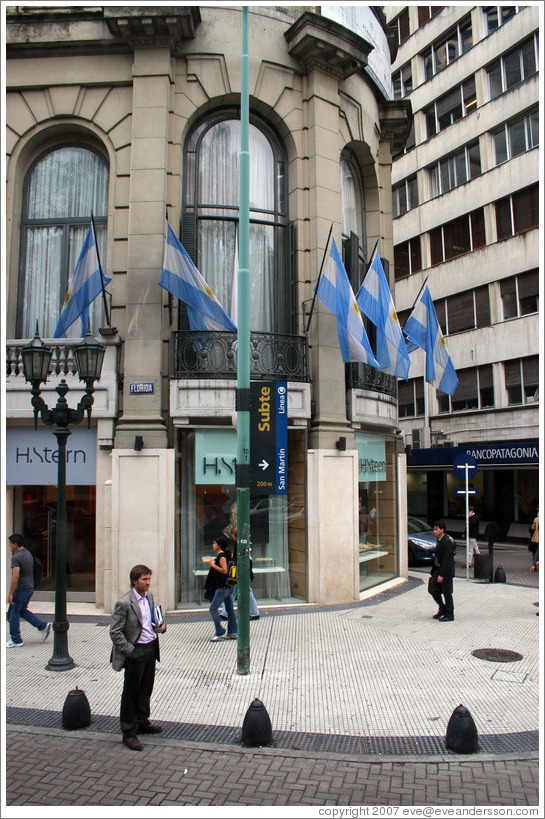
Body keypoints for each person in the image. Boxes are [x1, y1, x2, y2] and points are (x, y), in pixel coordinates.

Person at [110, 564, 167, 751]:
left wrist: (162, 627)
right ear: (134, 581)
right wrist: (130, 651)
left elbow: (152, 620)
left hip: (150, 648)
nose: (148, 583)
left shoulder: (149, 597)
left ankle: (142, 721)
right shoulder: (124, 603)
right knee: (131, 693)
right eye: (144, 580)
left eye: (149, 579)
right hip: (136, 651)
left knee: (146, 688)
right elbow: (115, 632)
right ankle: (128, 731)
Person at [6, 534, 50, 647]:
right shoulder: (27, 553)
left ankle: (16, 640)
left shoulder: (16, 558)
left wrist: (10, 594)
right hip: (29, 587)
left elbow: (15, 577)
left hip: (21, 589)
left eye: (10, 544)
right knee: (21, 611)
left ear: (15, 544)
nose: (9, 546)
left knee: (13, 614)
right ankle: (42, 626)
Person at [219, 526, 260, 621]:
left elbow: (240, 559)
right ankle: (254, 613)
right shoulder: (243, 543)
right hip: (243, 573)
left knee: (233, 592)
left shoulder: (240, 544)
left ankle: (225, 613)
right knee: (244, 592)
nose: (231, 537)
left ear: (235, 536)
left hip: (240, 573)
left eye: (232, 535)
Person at [205, 535, 237, 641]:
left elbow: (224, 570)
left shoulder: (222, 556)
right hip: (227, 586)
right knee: (229, 609)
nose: (212, 545)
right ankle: (233, 631)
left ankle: (220, 631)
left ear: (219, 545)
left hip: (223, 587)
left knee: (213, 608)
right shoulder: (225, 555)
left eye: (214, 543)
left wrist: (213, 565)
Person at [428, 521, 456, 622]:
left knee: (447, 592)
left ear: (442, 530)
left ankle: (450, 614)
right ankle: (442, 607)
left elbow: (447, 560)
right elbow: (440, 552)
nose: (434, 531)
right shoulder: (440, 539)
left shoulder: (447, 541)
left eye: (436, 529)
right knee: (432, 588)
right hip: (438, 568)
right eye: (434, 529)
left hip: (445, 570)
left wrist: (442, 575)